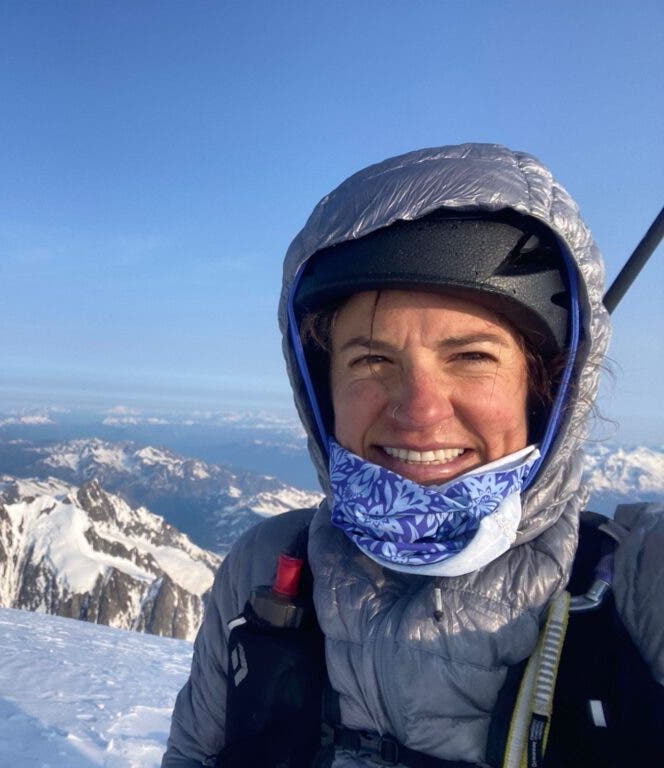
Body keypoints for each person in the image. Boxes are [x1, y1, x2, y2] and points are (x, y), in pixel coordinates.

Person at [162, 144, 664, 768]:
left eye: (472, 357)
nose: (420, 410)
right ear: (324, 396)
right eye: (372, 360)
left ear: (543, 391)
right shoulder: (262, 572)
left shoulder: (634, 586)